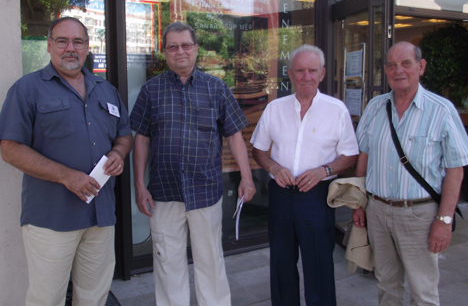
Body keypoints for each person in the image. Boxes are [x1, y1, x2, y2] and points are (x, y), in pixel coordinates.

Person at [0, 17, 132, 306]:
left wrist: (119, 153)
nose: (70, 48)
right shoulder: (27, 89)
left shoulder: (105, 89)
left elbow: (124, 135)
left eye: (78, 42)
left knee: (95, 296)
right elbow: (9, 148)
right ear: (49, 45)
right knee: (47, 299)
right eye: (62, 41)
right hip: (52, 219)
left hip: (100, 216)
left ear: (87, 48)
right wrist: (65, 175)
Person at [131, 21, 256, 306]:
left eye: (185, 45)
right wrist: (139, 185)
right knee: (167, 263)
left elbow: (235, 135)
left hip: (205, 191)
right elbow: (141, 139)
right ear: (165, 52)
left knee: (210, 261)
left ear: (196, 49)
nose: (180, 51)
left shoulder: (216, 87)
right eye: (173, 46)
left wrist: (247, 177)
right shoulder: (151, 90)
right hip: (164, 193)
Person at [353, 41, 468, 306]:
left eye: (406, 63)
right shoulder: (375, 107)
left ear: (420, 67)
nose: (398, 71)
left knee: (423, 292)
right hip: (377, 210)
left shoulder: (441, 110)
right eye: (391, 65)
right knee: (386, 285)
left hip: (419, 215)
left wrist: (444, 221)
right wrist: (359, 203)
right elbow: (364, 156)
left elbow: (456, 170)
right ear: (385, 71)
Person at [251, 44, 359, 306]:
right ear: (291, 74)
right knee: (281, 263)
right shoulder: (275, 108)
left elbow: (350, 155)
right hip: (280, 195)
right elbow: (258, 150)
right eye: (300, 70)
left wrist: (325, 170)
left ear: (322, 73)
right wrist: (274, 168)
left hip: (317, 197)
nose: (306, 76)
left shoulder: (337, 110)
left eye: (312, 70)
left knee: (319, 264)